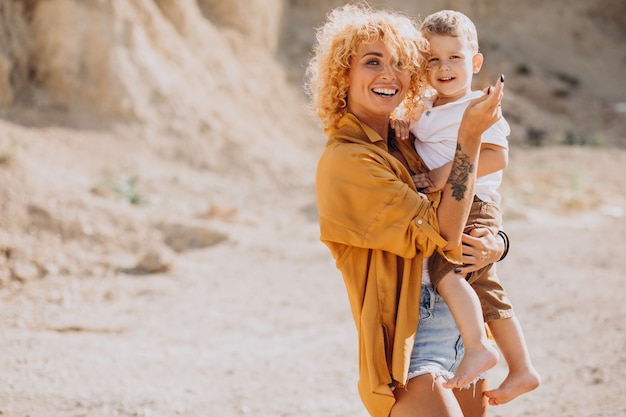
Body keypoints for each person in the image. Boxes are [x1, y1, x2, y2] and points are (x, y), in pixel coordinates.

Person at [305, 4, 506, 417]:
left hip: (462, 333)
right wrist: (468, 137)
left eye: (400, 63)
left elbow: (469, 209)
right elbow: (444, 236)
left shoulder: (405, 142)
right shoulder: (349, 160)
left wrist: (497, 244)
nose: (388, 74)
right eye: (372, 62)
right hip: (409, 346)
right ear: (343, 74)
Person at [393, 10, 540, 405]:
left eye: (454, 57)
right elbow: (410, 127)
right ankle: (522, 367)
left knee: (447, 271)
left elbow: (496, 156)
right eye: (432, 59)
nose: (444, 68)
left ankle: (477, 346)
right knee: (485, 287)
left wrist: (443, 175)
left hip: (476, 204)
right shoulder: (425, 106)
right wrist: (404, 122)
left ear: (475, 63)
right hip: (456, 204)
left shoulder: (479, 105)